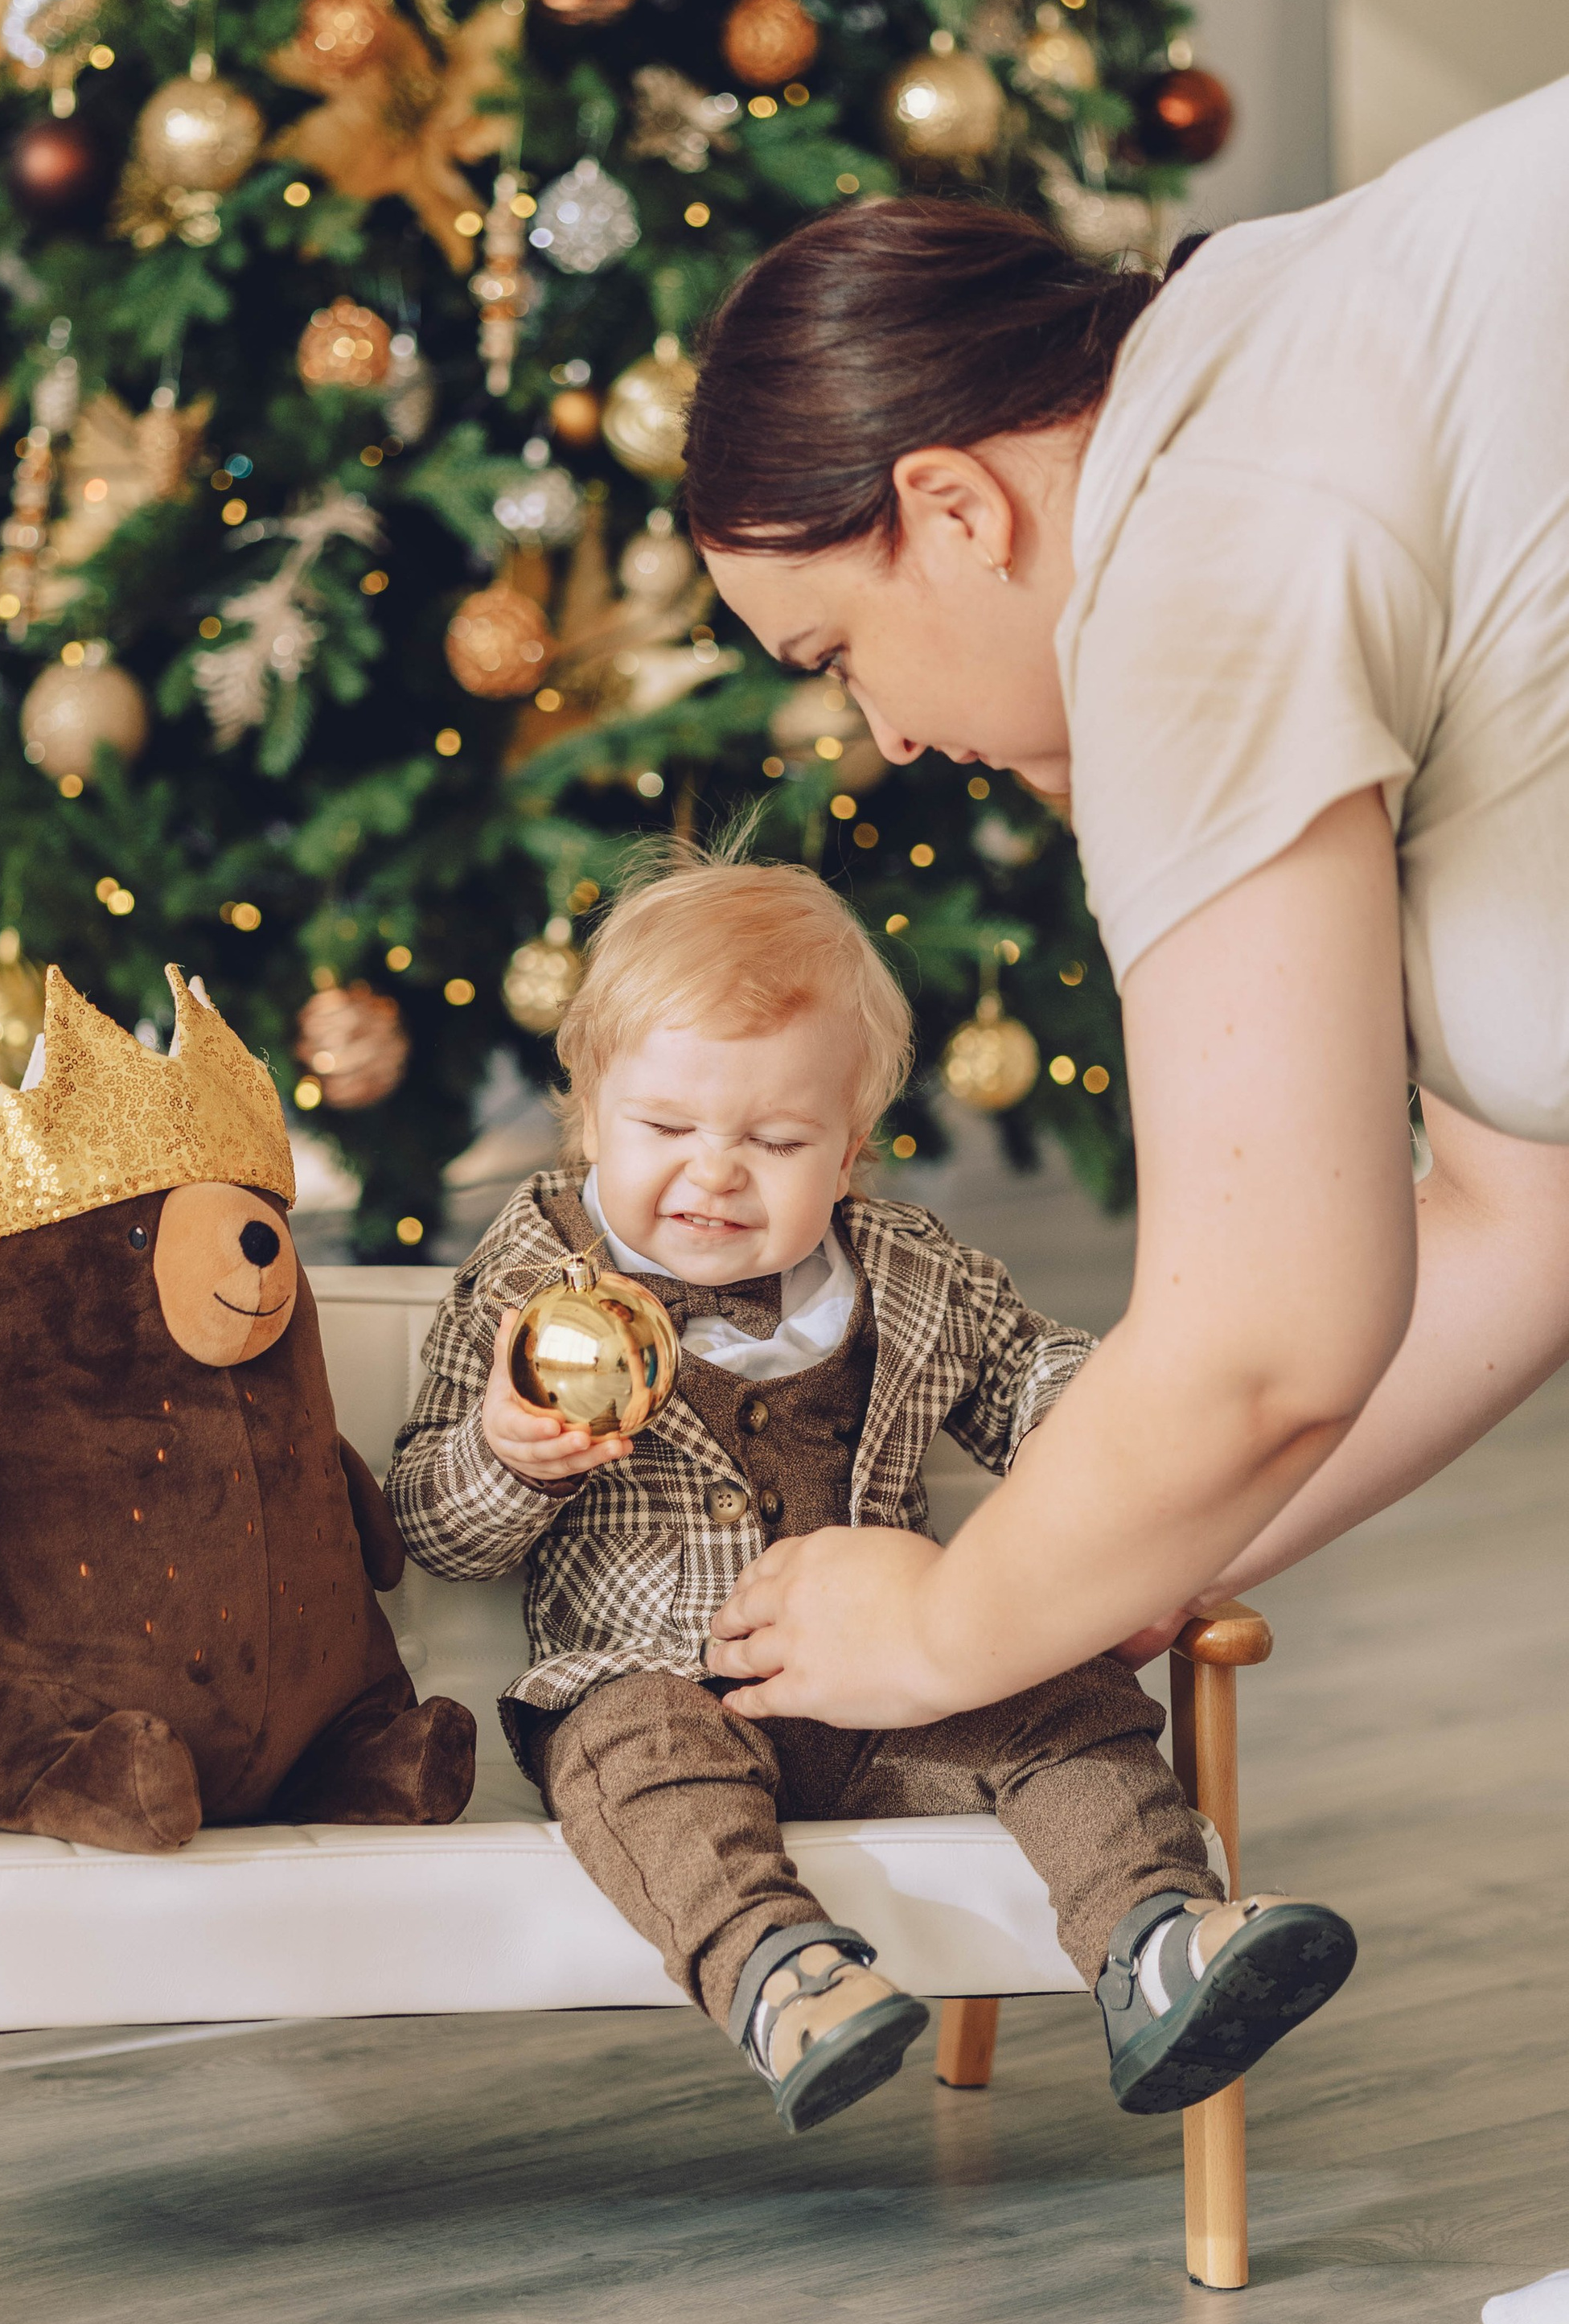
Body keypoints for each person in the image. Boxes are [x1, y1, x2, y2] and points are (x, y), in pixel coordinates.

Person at [680, 82, 1569, 2324]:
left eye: (833, 652)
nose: (872, 737)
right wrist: (1115, 1567)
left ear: (956, 505)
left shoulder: (1192, 552)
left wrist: (953, 1627)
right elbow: (1517, 1213)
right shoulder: (1271, 352)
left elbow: (1272, 1335)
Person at [386, 851, 1355, 2133]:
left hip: (900, 1687)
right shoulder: (532, 1279)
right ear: (588, 1116)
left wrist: (1098, 1473)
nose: (717, 1173)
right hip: (657, 1682)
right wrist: (507, 1453)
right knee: (631, 1756)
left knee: (1063, 1695)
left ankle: (1158, 1935)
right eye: (666, 1129)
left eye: (775, 1140)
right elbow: (423, 1527)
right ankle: (784, 1976)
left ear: (847, 1152)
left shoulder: (907, 1273)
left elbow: (1042, 1385)